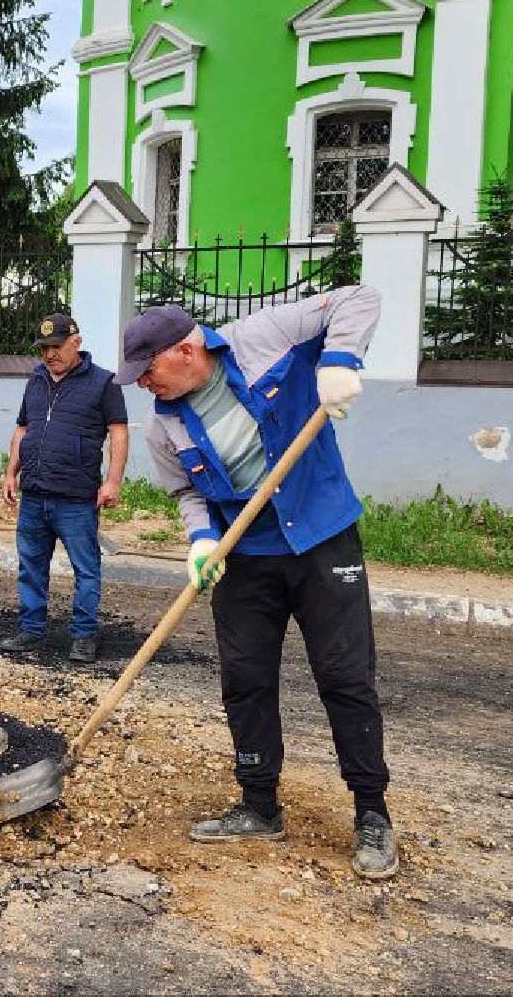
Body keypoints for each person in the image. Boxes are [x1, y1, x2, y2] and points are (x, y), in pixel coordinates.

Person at [116, 290, 398, 879]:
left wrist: (340, 362)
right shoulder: (163, 422)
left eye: (148, 372)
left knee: (345, 676)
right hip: (244, 555)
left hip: (321, 538)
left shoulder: (265, 337)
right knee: (244, 679)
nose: (144, 385)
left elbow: (358, 299)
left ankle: (371, 813)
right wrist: (200, 540)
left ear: (186, 351)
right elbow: (187, 493)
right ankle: (259, 804)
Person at [0, 312, 129, 664]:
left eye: (57, 346)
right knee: (31, 566)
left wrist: (113, 481)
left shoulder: (104, 383)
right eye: (44, 348)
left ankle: (84, 636)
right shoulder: (36, 380)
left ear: (76, 343)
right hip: (34, 493)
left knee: (85, 569)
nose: (50, 354)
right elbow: (23, 429)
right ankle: (30, 629)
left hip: (76, 498)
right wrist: (11, 473)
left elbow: (118, 432)